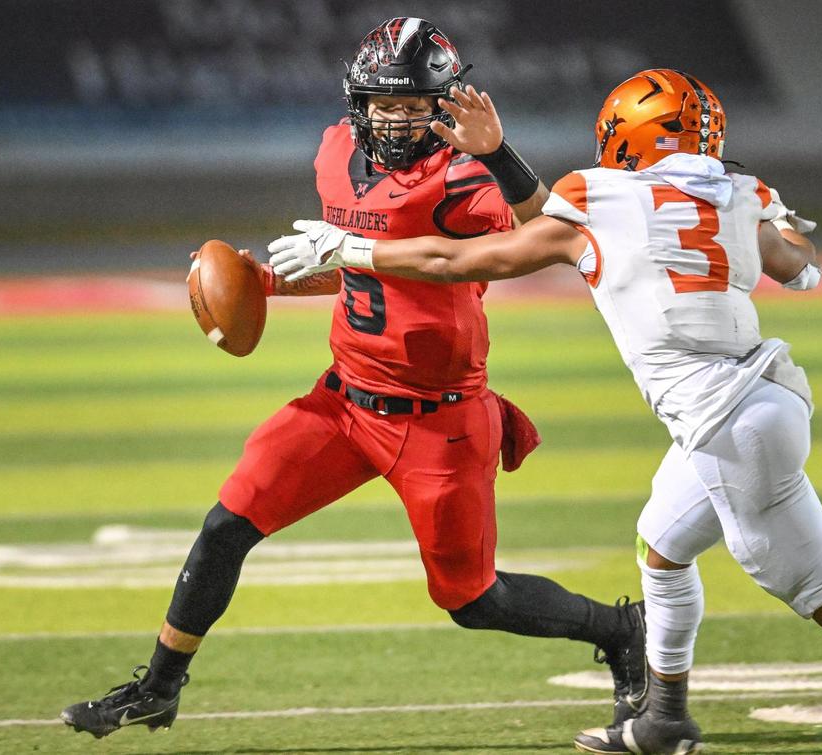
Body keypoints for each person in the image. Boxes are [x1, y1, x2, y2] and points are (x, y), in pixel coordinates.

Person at [267, 68, 822, 755]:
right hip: (767, 394)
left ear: (625, 138)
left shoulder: (595, 195)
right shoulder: (739, 192)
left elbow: (464, 258)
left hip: (725, 424)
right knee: (661, 547)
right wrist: (759, 211)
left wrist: (352, 249)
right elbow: (801, 266)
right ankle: (664, 718)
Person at [60, 17, 647, 740]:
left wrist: (500, 155)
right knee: (226, 526)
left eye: (414, 106)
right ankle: (158, 684)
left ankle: (621, 629)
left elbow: (551, 230)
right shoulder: (337, 152)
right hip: (342, 402)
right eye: (384, 104)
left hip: (440, 421)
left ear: (446, 107)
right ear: (356, 102)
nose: (397, 120)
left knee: (472, 598)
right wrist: (271, 281)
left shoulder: (462, 173)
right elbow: (352, 266)